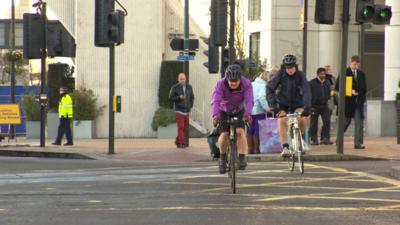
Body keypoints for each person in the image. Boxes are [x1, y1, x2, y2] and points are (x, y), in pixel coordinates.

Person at [211, 64, 254, 174]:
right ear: (227, 78)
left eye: (236, 81)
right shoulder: (220, 84)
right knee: (224, 134)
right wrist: (215, 116)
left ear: (240, 78)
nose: (233, 83)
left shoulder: (246, 84)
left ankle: (242, 157)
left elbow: (249, 101)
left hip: (239, 110)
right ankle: (222, 158)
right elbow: (215, 101)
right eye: (231, 81)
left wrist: (248, 115)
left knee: (240, 131)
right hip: (223, 110)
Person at [267, 54, 311, 157]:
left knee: (301, 118)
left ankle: (300, 139)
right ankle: (285, 147)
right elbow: (269, 88)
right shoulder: (280, 74)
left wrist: (307, 106)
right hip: (283, 104)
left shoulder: (301, 75)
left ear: (295, 66)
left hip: (297, 103)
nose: (290, 70)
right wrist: (274, 106)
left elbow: (306, 91)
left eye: (291, 67)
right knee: (281, 120)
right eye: (287, 68)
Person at [334, 56, 367, 149]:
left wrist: (361, 98)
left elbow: (364, 88)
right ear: (351, 63)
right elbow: (338, 87)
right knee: (345, 122)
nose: (356, 66)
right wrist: (349, 91)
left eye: (357, 64)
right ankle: (339, 139)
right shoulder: (344, 73)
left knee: (359, 123)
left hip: (358, 103)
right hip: (347, 103)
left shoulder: (361, 74)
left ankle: (358, 143)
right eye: (354, 64)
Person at [168, 73, 194, 148]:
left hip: (187, 110)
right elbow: (170, 98)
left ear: (186, 79)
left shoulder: (189, 87)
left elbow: (192, 97)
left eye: (183, 79)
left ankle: (177, 141)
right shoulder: (174, 87)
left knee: (185, 126)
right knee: (181, 127)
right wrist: (179, 98)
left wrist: (190, 105)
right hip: (179, 110)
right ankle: (182, 143)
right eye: (181, 79)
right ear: (178, 79)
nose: (182, 80)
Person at [247, 71, 270, 154]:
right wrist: (267, 108)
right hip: (259, 111)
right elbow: (262, 97)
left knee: (250, 130)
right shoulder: (263, 85)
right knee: (257, 130)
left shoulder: (251, 84)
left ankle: (250, 149)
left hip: (249, 110)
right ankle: (257, 149)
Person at [309, 68, 333, 145]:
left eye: (324, 74)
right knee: (313, 123)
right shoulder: (312, 83)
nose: (323, 75)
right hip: (314, 106)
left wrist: (328, 97)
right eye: (321, 74)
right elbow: (309, 94)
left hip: (324, 105)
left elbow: (329, 92)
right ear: (318, 74)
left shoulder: (327, 82)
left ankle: (325, 138)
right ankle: (313, 139)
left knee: (327, 120)